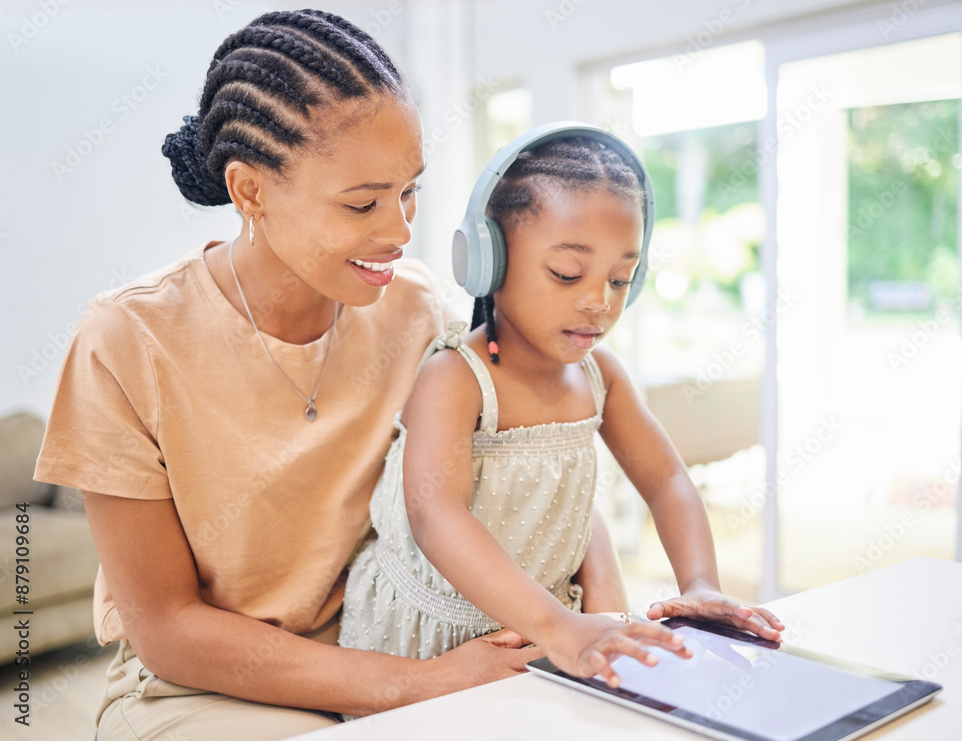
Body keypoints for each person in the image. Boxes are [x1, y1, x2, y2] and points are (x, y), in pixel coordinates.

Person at [31, 10, 630, 739]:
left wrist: (599, 618)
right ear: (250, 191)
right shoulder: (126, 340)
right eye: (363, 202)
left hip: (390, 638)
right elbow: (167, 628)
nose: (401, 229)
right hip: (210, 684)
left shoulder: (419, 310)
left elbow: (539, 455)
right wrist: (418, 685)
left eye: (409, 190)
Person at [339, 132, 784, 686]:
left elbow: (666, 479)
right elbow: (437, 515)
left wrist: (700, 585)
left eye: (621, 279)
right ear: (489, 262)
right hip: (433, 635)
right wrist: (556, 624)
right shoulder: (456, 377)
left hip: (549, 628)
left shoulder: (602, 377)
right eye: (568, 274)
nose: (599, 300)